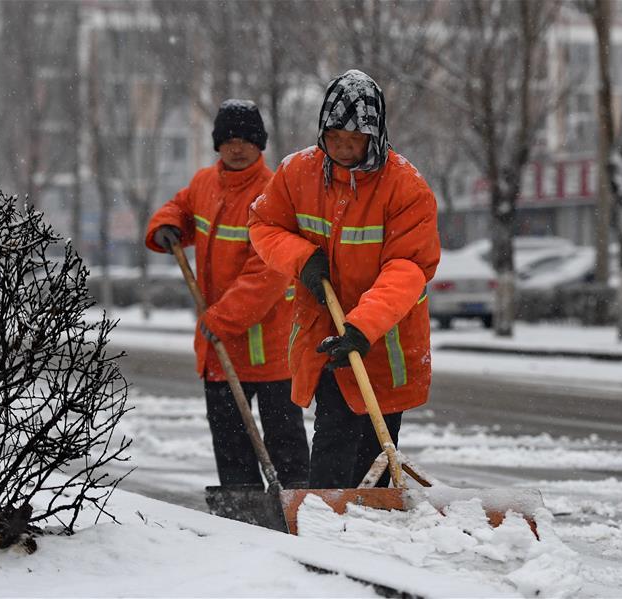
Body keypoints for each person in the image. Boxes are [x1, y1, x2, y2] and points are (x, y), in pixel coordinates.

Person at [248, 69, 440, 489]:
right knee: (332, 445)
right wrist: (302, 259)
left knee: (372, 453)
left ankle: (366, 531)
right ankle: (324, 528)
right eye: (334, 138)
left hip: (384, 345)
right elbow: (262, 225)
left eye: (354, 140)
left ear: (375, 135)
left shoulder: (405, 188)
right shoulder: (298, 173)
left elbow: (408, 268)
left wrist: (363, 325)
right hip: (328, 336)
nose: (343, 148)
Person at [145, 99, 309, 488]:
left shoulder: (274, 193)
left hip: (270, 353)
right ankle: (241, 507)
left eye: (247, 140)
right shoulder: (205, 184)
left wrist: (220, 319)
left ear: (260, 145)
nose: (237, 148)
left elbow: (266, 274)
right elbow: (178, 209)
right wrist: (166, 226)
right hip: (219, 352)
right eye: (230, 140)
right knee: (231, 446)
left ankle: (297, 505)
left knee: (285, 444)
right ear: (218, 143)